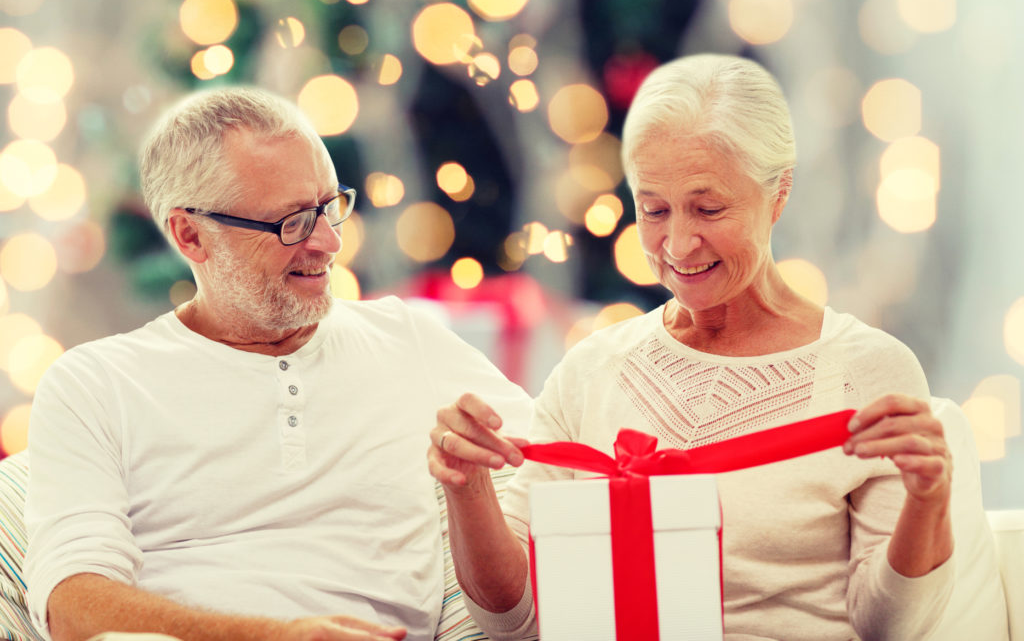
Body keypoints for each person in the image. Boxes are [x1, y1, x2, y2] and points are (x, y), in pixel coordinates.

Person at [429, 54, 955, 641]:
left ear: (778, 194)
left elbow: (891, 627)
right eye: (653, 210)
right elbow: (514, 622)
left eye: (708, 208)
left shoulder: (868, 371)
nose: (678, 244)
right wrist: (466, 487)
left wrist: (928, 502)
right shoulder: (590, 371)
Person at [25, 87, 532, 641]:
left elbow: (568, 467)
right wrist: (272, 636)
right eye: (292, 222)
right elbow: (71, 606)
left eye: (329, 206)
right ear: (190, 235)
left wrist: (472, 484)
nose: (330, 242)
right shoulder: (95, 384)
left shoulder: (407, 340)